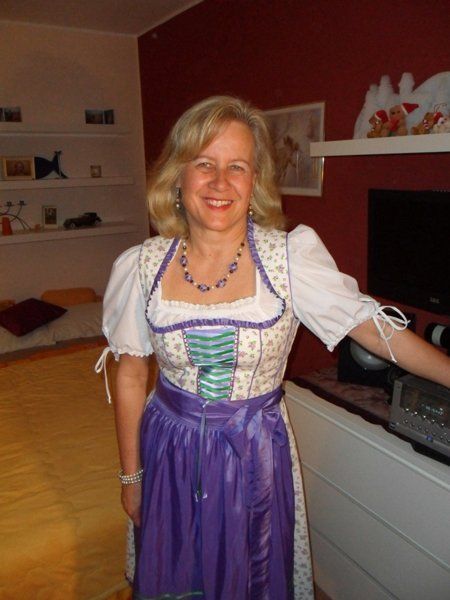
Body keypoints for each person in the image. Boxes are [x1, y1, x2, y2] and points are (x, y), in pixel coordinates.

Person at [98, 96, 450, 600]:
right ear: (178, 176)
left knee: (250, 576)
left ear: (255, 181)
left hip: (254, 457)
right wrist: (132, 477)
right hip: (168, 452)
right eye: (205, 164)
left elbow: (373, 331)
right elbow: (132, 375)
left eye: (237, 166)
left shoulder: (289, 259)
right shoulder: (141, 265)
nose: (220, 182)